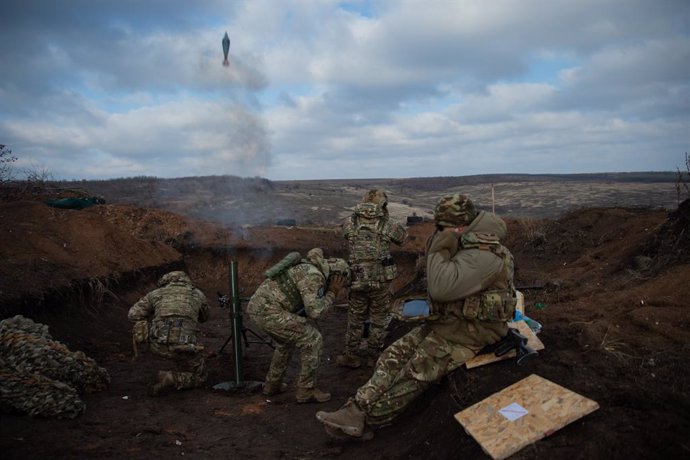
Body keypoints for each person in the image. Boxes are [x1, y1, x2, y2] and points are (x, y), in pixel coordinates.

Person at [316, 193, 517, 439]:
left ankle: (367, 422)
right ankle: (356, 407)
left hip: (470, 333)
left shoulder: (485, 253)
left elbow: (441, 289)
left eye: (445, 227)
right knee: (393, 355)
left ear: (461, 225)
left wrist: (442, 241)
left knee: (415, 372)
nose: (442, 231)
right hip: (450, 324)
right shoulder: (466, 241)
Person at [246, 248, 349, 404]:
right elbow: (315, 312)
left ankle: (272, 385)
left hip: (259, 308)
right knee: (313, 339)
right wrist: (332, 292)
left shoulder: (308, 266)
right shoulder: (314, 276)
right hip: (269, 312)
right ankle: (306, 390)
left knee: (285, 342)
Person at [336, 189, 408, 369]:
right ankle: (372, 355)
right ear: (382, 204)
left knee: (355, 318)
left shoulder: (349, 222)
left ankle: (351, 355)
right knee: (379, 318)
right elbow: (402, 238)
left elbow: (343, 234)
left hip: (357, 279)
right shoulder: (387, 224)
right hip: (380, 281)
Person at [128, 270, 210, 396]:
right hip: (184, 347)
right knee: (201, 377)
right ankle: (171, 378)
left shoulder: (155, 294)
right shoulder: (198, 294)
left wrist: (150, 322)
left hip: (157, 346)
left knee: (174, 353)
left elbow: (133, 314)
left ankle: (169, 368)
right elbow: (205, 317)